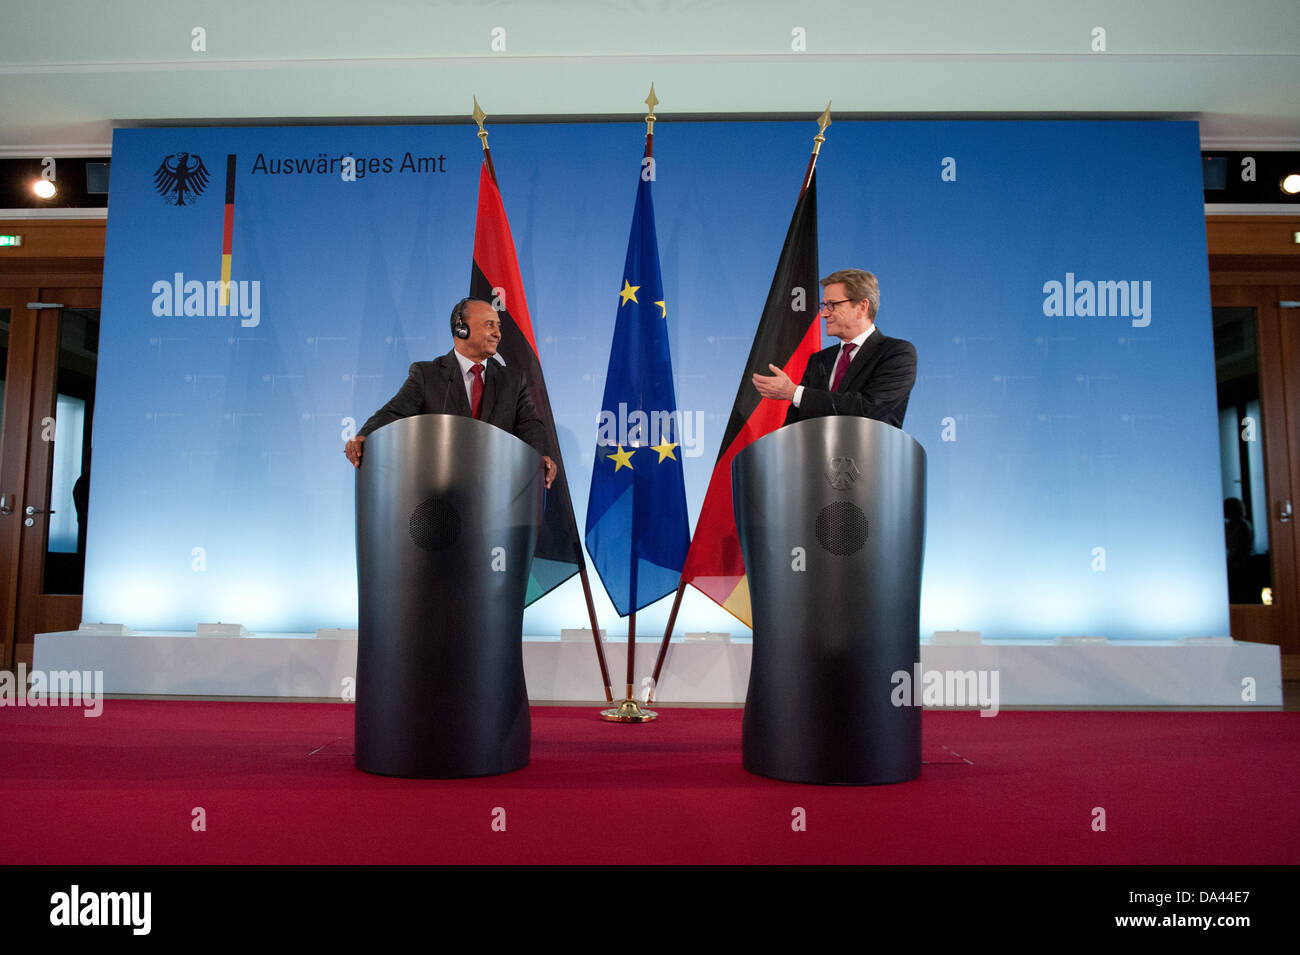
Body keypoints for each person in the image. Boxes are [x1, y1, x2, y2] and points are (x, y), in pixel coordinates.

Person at [344, 297, 557, 487]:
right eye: (489, 325)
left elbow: (530, 425)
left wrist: (538, 457)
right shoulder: (427, 374)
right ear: (461, 328)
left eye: (498, 326)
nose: (498, 334)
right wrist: (364, 436)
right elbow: (394, 412)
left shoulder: (512, 380)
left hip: (496, 492)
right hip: (440, 493)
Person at [752, 268, 916, 429]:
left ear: (862, 307)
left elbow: (867, 408)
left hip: (870, 454)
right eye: (824, 305)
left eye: (832, 305)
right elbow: (795, 423)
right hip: (814, 455)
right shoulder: (819, 360)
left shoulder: (896, 353)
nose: (823, 314)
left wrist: (794, 392)